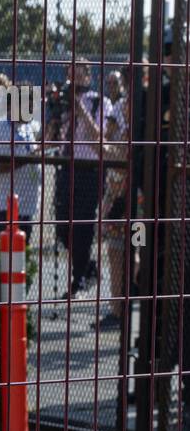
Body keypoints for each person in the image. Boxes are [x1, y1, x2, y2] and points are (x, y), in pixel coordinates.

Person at [47, 59, 110, 295]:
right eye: (70, 75)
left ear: (88, 77)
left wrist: (80, 110)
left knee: (82, 225)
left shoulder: (98, 102)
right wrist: (54, 115)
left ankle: (78, 277)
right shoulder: (63, 102)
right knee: (63, 225)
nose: (73, 80)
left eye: (79, 75)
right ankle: (88, 267)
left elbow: (100, 141)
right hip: (66, 168)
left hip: (89, 170)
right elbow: (51, 139)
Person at [0, 72, 42, 244]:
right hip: (5, 205)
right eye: (28, 106)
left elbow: (29, 151)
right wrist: (27, 159)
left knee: (22, 256)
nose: (32, 110)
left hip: (26, 205)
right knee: (7, 256)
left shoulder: (27, 128)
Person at [97, 70, 133, 327]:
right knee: (116, 249)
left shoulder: (147, 106)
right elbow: (110, 141)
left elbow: (119, 152)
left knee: (128, 248)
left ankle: (123, 306)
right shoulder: (119, 107)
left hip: (133, 191)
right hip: (117, 188)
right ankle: (118, 306)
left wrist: (106, 145)